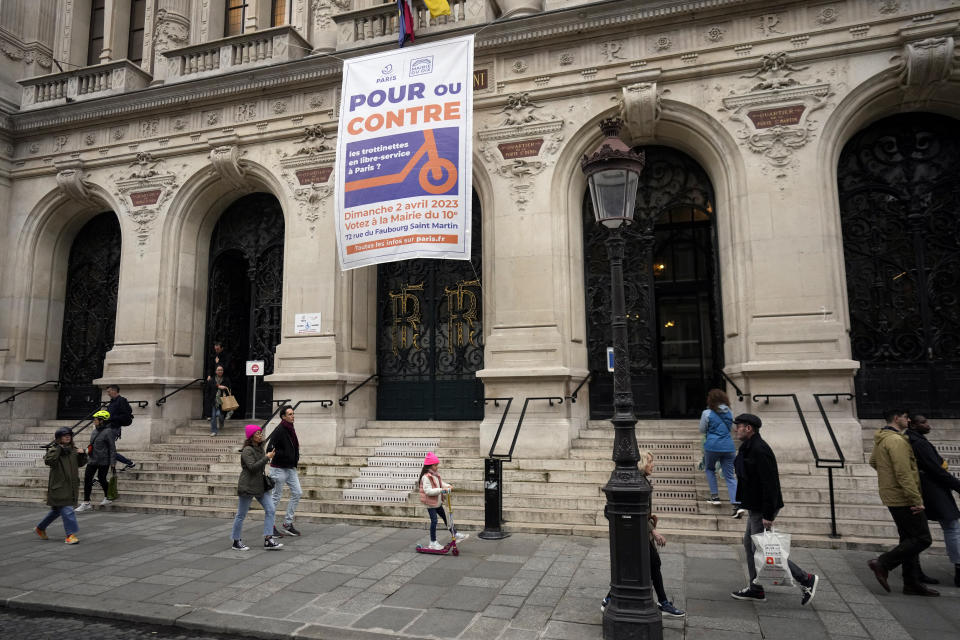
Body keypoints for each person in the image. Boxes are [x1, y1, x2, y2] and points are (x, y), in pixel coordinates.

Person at [729, 413, 820, 605]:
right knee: (750, 544)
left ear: (749, 428)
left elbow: (770, 483)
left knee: (763, 549)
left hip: (763, 507)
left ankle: (805, 579)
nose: (735, 429)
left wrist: (768, 514)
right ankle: (755, 587)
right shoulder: (748, 447)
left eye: (739, 426)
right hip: (755, 505)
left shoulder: (759, 450)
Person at [600, 451, 685, 618]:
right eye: (650, 462)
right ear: (642, 464)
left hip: (636, 534)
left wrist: (651, 526)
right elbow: (635, 511)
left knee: (643, 565)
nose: (653, 465)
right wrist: (653, 530)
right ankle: (662, 602)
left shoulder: (640, 480)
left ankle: (609, 598)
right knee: (649, 564)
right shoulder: (636, 482)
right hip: (634, 535)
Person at [866, 409, 937, 596]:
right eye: (906, 417)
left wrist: (887, 477)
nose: (908, 420)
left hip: (892, 495)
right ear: (896, 418)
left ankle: (911, 582)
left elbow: (873, 461)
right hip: (904, 497)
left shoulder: (883, 437)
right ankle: (883, 563)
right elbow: (904, 472)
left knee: (908, 539)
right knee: (922, 538)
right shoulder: (897, 441)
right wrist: (916, 499)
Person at [906, 414, 959, 588]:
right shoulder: (919, 443)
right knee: (952, 527)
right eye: (923, 422)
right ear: (913, 425)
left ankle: (914, 572)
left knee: (917, 533)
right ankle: (959, 568)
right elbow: (935, 469)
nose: (928, 425)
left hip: (928, 489)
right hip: (933, 490)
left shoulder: (914, 440)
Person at [232, 424, 283, 551]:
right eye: (258, 433)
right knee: (241, 514)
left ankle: (268, 539)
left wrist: (268, 456)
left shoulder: (260, 448)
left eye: (261, 433)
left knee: (270, 509)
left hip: (260, 485)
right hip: (248, 485)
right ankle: (236, 541)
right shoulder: (247, 450)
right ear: (251, 436)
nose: (260, 435)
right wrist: (267, 457)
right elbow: (252, 467)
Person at [35, 427, 87, 544]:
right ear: (59, 438)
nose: (68, 437)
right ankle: (70, 535)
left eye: (69, 435)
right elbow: (49, 461)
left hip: (71, 485)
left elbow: (80, 463)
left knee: (57, 511)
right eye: (64, 435)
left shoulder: (73, 449)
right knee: (68, 510)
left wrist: (83, 454)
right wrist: (58, 448)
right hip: (59, 486)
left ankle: (40, 528)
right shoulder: (55, 449)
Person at [698, 389, 743, 517]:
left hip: (712, 446)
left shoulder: (707, 413)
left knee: (710, 469)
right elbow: (731, 428)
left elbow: (702, 429)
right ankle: (736, 504)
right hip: (728, 447)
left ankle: (715, 497)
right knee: (730, 476)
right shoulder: (730, 412)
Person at [418, 451, 467, 550]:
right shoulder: (426, 477)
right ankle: (433, 542)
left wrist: (448, 486)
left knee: (447, 518)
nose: (437, 467)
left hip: (438, 503)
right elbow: (428, 491)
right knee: (434, 521)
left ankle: (455, 533)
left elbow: (441, 483)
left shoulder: (435, 475)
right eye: (435, 465)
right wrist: (441, 490)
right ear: (430, 466)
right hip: (431, 504)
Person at [267, 405, 303, 537]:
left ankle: (287, 523)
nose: (293, 416)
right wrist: (285, 455)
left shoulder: (290, 429)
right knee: (275, 497)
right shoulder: (280, 429)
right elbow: (270, 448)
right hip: (278, 469)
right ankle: (269, 526)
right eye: (290, 414)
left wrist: (293, 458)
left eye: (293, 414)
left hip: (290, 468)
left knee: (297, 492)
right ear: (283, 417)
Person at [76, 410, 116, 513]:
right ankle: (86, 502)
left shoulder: (109, 432)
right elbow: (93, 446)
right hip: (92, 460)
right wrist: (85, 451)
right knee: (87, 479)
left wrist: (112, 463)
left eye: (96, 419)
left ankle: (108, 497)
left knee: (102, 478)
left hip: (104, 461)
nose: (94, 420)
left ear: (102, 421)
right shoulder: (94, 431)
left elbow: (112, 448)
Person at [104, 385, 135, 471]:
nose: (108, 393)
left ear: (114, 391)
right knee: (107, 449)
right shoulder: (112, 402)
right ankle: (128, 463)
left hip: (114, 428)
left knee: (108, 450)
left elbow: (125, 414)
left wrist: (112, 418)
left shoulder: (121, 401)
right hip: (109, 427)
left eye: (109, 391)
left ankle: (128, 463)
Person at [207, 365, 232, 437]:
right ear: (216, 371)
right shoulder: (212, 380)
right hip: (214, 401)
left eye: (221, 370)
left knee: (220, 415)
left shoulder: (226, 379)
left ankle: (221, 422)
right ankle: (214, 431)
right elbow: (208, 390)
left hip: (223, 400)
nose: (220, 371)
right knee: (214, 416)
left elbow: (229, 388)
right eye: (218, 370)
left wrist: (224, 388)